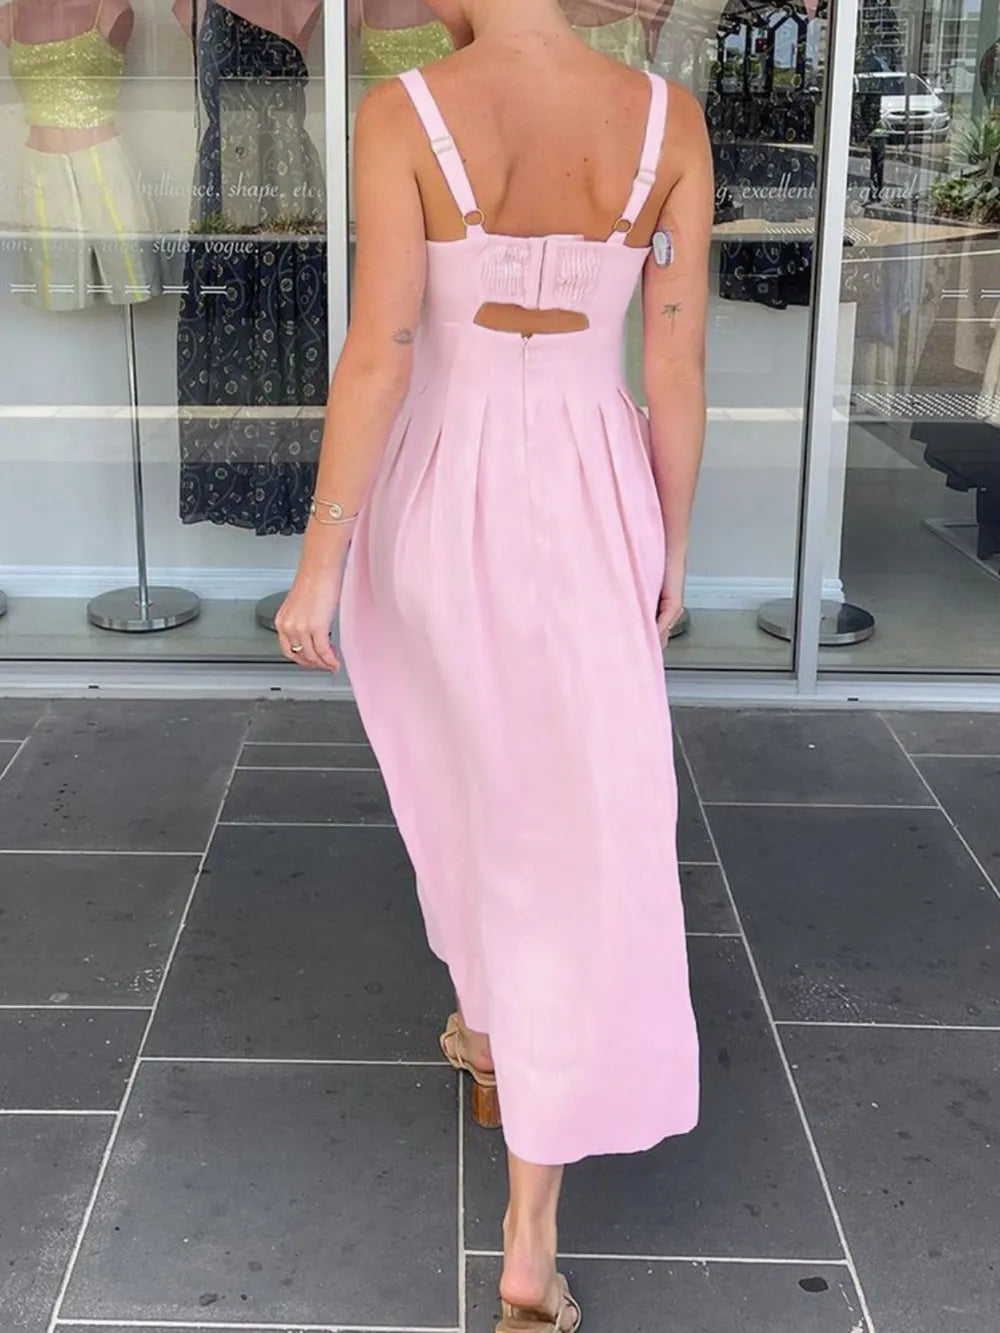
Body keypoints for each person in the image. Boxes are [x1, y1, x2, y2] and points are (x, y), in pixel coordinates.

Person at [275, 2, 712, 1328]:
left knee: (464, 785)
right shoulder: (665, 120)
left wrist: (320, 557)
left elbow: (381, 350)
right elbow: (677, 358)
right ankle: (528, 1220)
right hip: (594, 488)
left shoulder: (405, 112)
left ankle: (493, 1041)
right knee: (572, 822)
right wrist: (673, 543)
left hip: (440, 491)